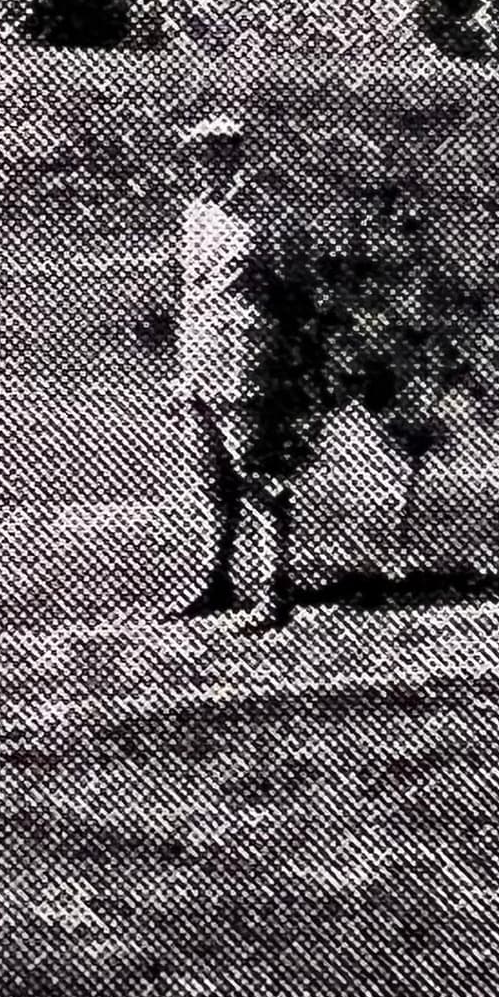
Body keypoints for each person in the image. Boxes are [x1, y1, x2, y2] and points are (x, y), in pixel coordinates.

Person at [167, 113, 296, 631]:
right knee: (211, 480)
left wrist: (275, 359)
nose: (202, 163)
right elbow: (191, 295)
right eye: (197, 155)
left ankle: (273, 590)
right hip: (200, 358)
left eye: (213, 153)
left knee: (257, 477)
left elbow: (289, 292)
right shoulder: (196, 212)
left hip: (246, 359)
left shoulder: (263, 215)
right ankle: (215, 580)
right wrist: (183, 368)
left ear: (233, 154)